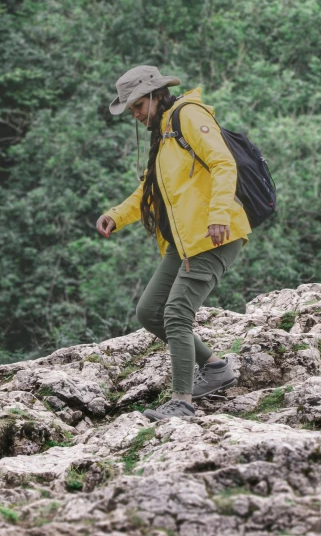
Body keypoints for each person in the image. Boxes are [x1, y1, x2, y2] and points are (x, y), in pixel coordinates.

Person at [96, 65, 252, 421]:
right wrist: (116, 215)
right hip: (184, 242)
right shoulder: (163, 134)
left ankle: (182, 403)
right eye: (130, 110)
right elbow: (148, 192)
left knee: (177, 314)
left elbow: (224, 164)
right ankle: (215, 368)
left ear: (154, 95)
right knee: (150, 311)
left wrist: (218, 214)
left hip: (215, 234)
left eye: (136, 107)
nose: (134, 115)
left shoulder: (188, 116)